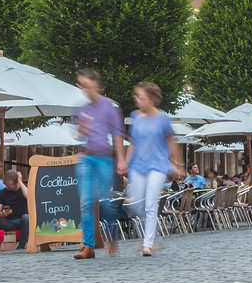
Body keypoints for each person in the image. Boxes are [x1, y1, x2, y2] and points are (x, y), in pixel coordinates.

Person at [121, 80, 182, 257]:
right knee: (137, 203)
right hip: (138, 166)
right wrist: (125, 161)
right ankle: (154, 236)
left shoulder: (162, 118)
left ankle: (147, 244)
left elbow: (171, 140)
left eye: (140, 96)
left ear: (150, 99)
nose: (136, 99)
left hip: (157, 165)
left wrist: (176, 164)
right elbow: (133, 142)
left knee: (150, 205)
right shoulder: (136, 116)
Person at [71, 68, 125, 260]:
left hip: (103, 158)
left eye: (86, 85)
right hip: (86, 157)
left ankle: (112, 237)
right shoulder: (82, 110)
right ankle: (88, 246)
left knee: (104, 201)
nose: (84, 89)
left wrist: (121, 159)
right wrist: (81, 131)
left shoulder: (110, 108)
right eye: (81, 86)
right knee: (86, 202)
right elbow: (78, 135)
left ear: (96, 85)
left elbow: (118, 134)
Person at [0, 165, 29, 248]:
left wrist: (20, 181)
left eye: (10, 185)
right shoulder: (2, 193)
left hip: (22, 221)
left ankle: (21, 246)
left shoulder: (23, 190)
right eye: (6, 184)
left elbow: (29, 197)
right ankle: (1, 242)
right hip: (10, 222)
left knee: (26, 217)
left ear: (16, 183)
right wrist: (3, 214)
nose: (7, 187)